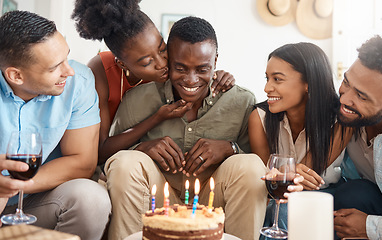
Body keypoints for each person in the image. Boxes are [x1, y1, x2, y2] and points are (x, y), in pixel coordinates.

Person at [104, 16, 271, 240]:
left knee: (251, 166)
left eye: (202, 69)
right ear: (169, 60)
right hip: (157, 200)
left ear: (216, 61)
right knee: (126, 163)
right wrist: (142, 148)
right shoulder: (138, 99)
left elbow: (257, 164)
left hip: (212, 202)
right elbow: (109, 155)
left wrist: (229, 148)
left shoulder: (241, 101)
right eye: (180, 68)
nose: (191, 80)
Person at [71, 0, 235, 166]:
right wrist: (156, 118)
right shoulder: (100, 71)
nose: (162, 63)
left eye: (162, 49)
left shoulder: (167, 69)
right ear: (122, 64)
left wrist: (216, 74)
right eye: (146, 62)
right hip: (113, 160)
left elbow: (194, 70)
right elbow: (101, 150)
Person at [0, 11, 111, 240]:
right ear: (16, 75)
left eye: (66, 58)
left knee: (91, 199)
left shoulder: (78, 82)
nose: (68, 71)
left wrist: (13, 185)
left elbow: (82, 162)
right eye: (54, 68)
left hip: (37, 201)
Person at [248, 43, 352, 238]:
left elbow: (307, 175)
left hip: (328, 197)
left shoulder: (341, 119)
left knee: (291, 210)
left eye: (277, 79)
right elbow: (266, 177)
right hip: (278, 199)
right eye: (267, 78)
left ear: (308, 84)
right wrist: (287, 173)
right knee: (282, 209)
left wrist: (286, 173)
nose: (266, 88)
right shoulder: (259, 118)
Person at [333, 35, 382, 240]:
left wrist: (369, 227)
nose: (344, 99)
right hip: (365, 201)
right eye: (346, 82)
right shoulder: (345, 116)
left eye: (361, 96)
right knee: (352, 193)